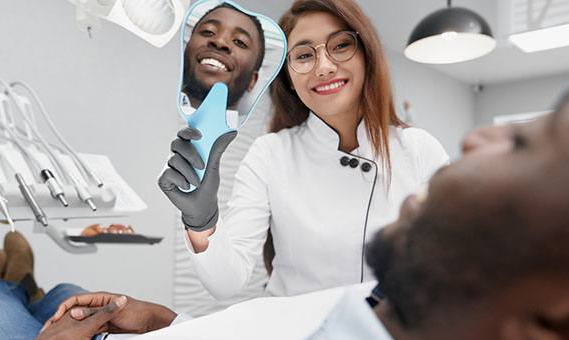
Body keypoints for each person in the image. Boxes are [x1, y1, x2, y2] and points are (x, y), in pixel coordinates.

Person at [0, 84, 569, 340]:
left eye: (530, 144)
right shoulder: (399, 303)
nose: (476, 137)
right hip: (141, 339)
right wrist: (164, 318)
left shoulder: (411, 152)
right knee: (68, 296)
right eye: (301, 52)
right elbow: (242, 310)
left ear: (559, 331)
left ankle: (10, 284)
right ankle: (31, 288)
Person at [158, 0, 449, 300]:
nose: (324, 67)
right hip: (292, 334)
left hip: (388, 335)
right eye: (304, 55)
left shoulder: (417, 148)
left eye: (340, 46)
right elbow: (227, 283)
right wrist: (202, 222)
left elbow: (452, 258)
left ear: (367, 56)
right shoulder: (270, 153)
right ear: (290, 79)